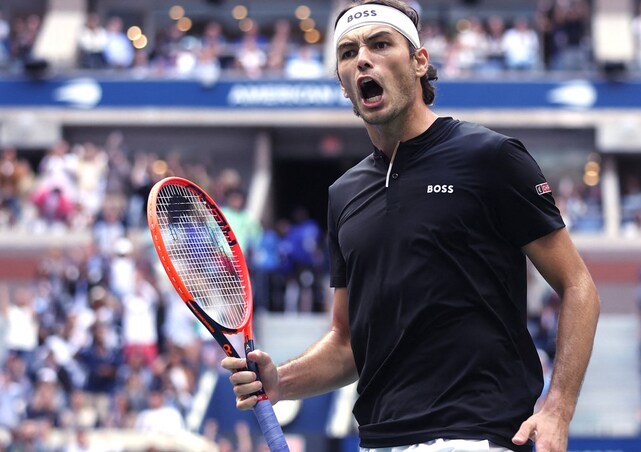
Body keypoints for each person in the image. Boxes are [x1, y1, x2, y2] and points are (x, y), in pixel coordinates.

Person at [222, 1, 600, 451]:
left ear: (420, 62)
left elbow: (579, 286)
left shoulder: (491, 158)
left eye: (381, 44)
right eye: (347, 52)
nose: (362, 58)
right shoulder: (342, 195)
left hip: (479, 435)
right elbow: (347, 342)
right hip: (380, 440)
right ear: (343, 85)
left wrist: (558, 408)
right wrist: (281, 381)